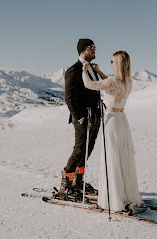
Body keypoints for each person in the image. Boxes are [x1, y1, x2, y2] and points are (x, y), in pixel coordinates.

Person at [82, 51, 144, 212]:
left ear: (118, 63)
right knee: (122, 157)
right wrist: (100, 72)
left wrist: (85, 71)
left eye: (112, 61)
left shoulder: (112, 81)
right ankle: (127, 195)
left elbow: (89, 85)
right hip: (122, 120)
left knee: (112, 157)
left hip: (111, 121)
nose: (111, 63)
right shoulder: (128, 82)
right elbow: (111, 86)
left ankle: (113, 198)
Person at [59, 38, 101, 199]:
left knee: (87, 150)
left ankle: (78, 181)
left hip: (95, 115)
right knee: (79, 150)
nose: (95, 50)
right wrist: (80, 117)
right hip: (83, 117)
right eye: (92, 47)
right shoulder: (74, 70)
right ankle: (66, 184)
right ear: (83, 50)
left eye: (95, 47)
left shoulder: (92, 69)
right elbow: (69, 96)